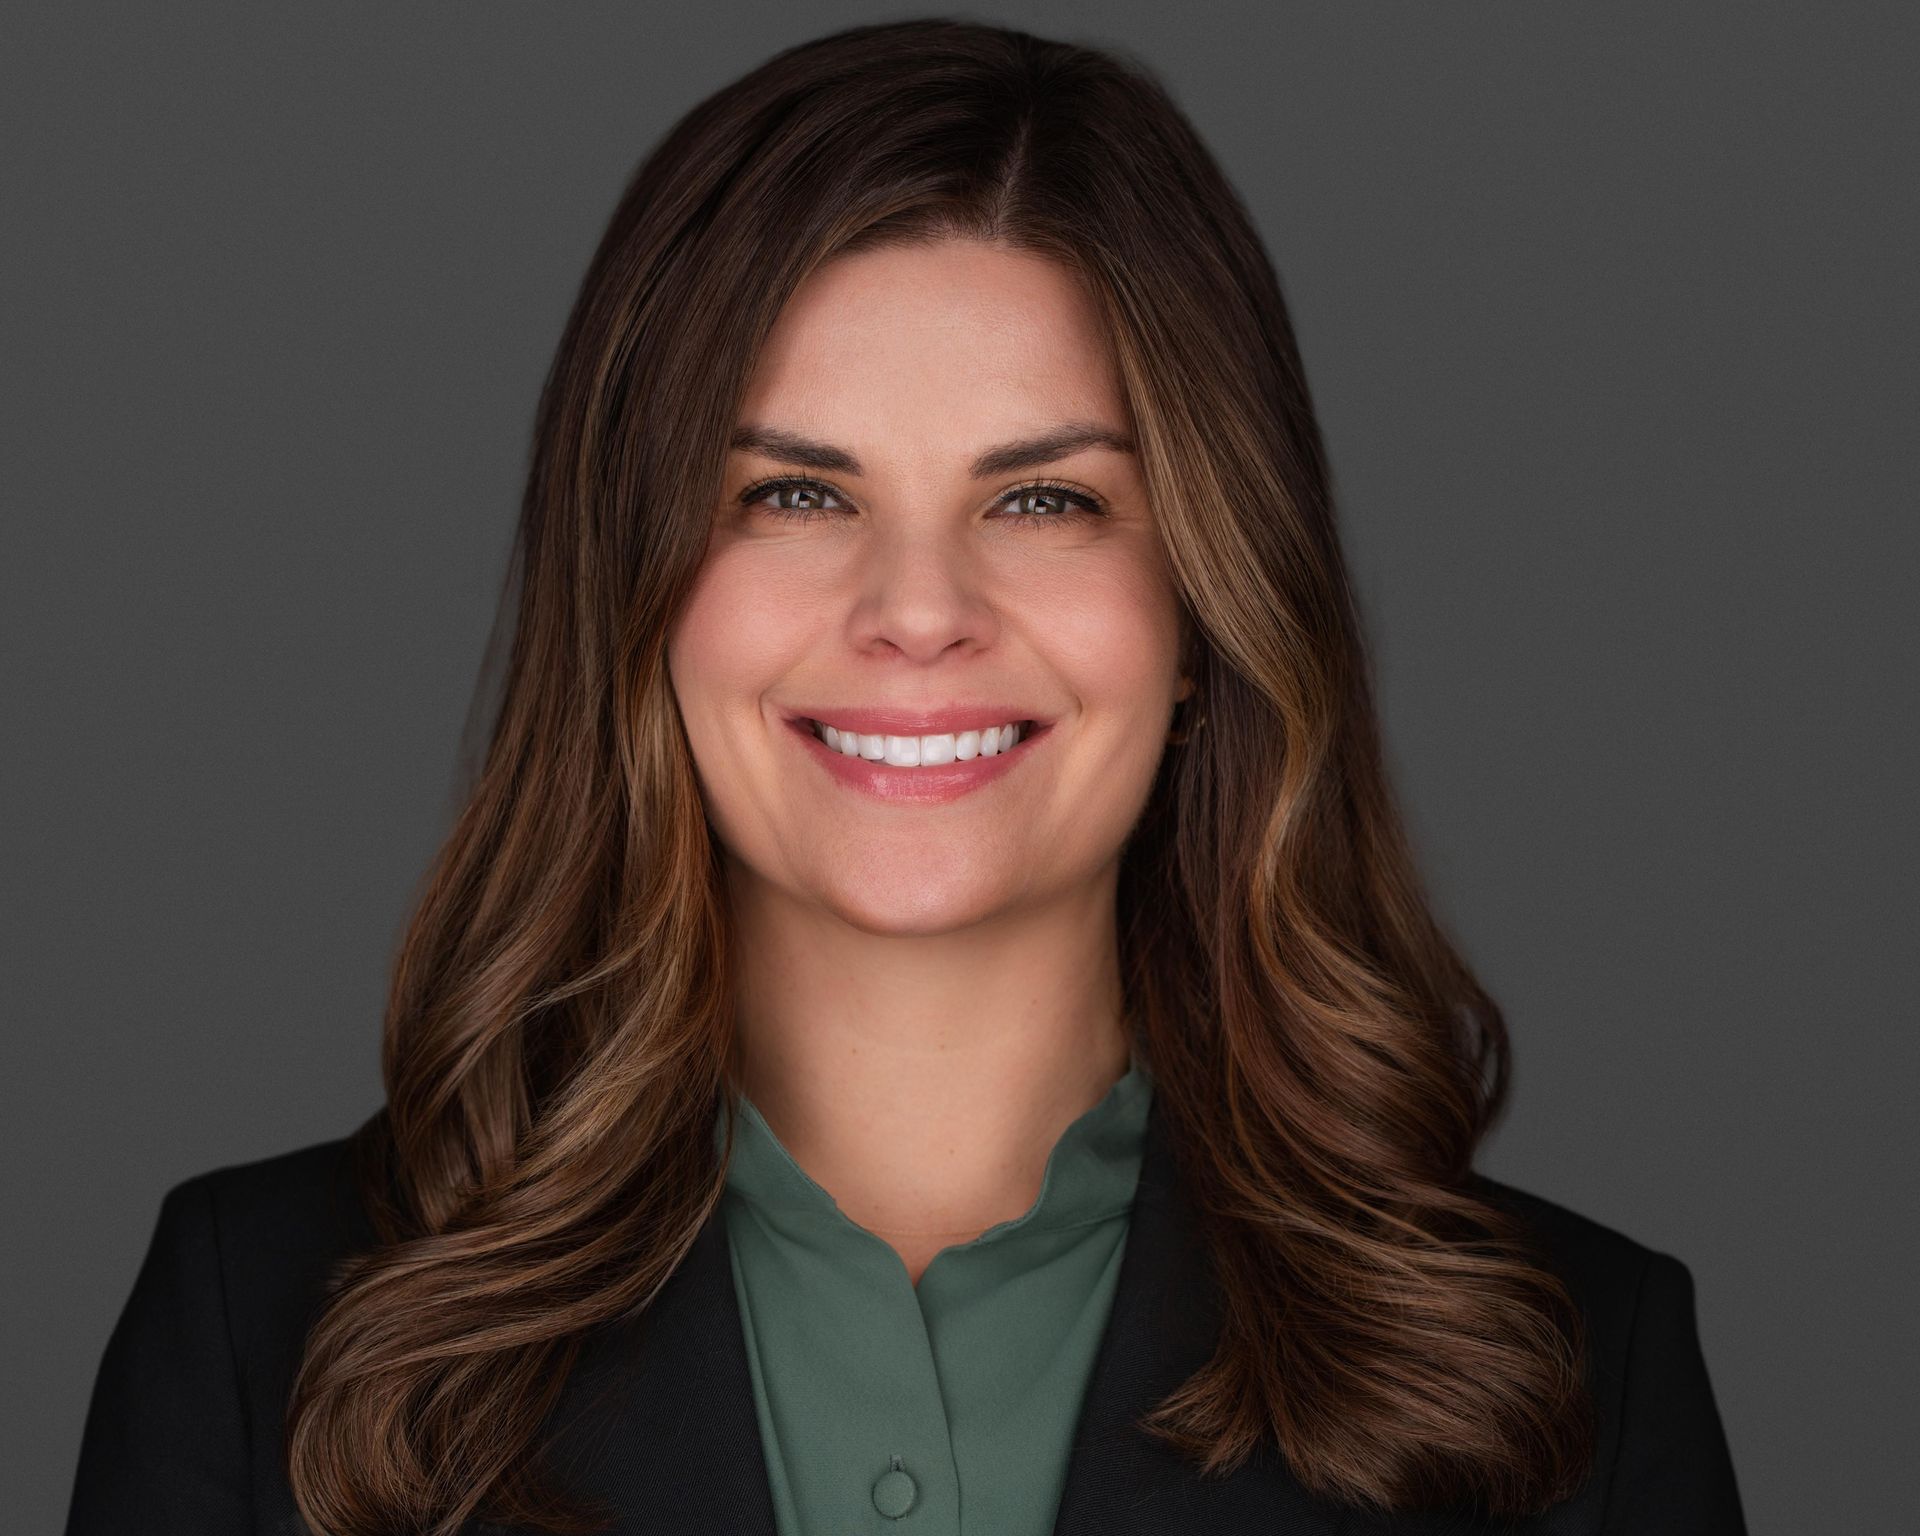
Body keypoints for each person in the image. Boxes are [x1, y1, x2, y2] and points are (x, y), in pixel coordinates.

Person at [64, 17, 1746, 1536]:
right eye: (796, 495)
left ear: (1205, 614)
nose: (918, 613)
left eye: (1045, 500)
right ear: (636, 592)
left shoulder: (1573, 1386)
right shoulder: (264, 1340)